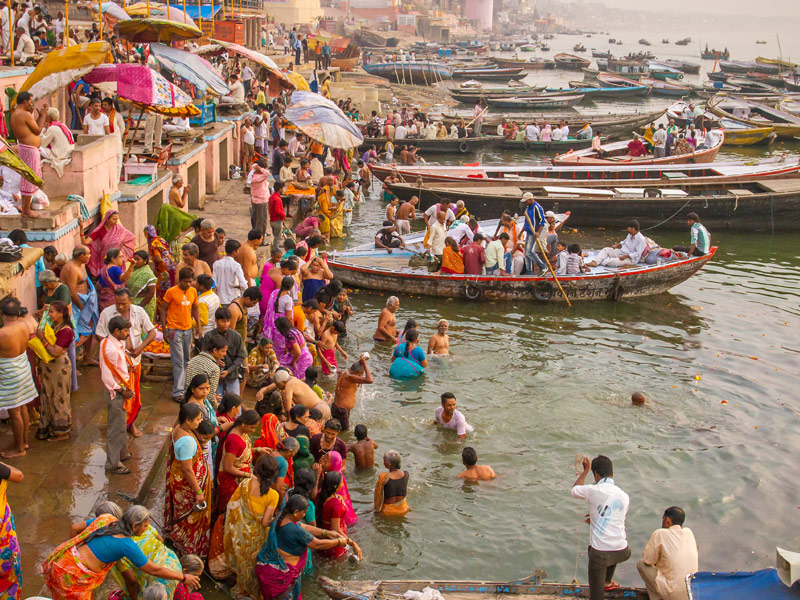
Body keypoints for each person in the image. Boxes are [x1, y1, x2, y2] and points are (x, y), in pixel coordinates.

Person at [43, 505, 200, 600]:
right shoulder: (126, 545)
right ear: (135, 525)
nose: (146, 529)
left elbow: (75, 528)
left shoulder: (106, 518)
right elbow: (154, 569)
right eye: (145, 526)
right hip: (75, 577)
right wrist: (183, 577)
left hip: (63, 561)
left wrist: (76, 556)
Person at [255, 495, 350, 600]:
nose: (304, 514)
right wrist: (337, 542)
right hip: (281, 578)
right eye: (303, 512)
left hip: (271, 571)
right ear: (296, 512)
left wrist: (327, 533)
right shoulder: (293, 530)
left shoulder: (282, 517)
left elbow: (304, 526)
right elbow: (318, 544)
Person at [96, 288, 156, 437]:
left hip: (135, 361)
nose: (120, 307)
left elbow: (152, 332)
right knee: (118, 397)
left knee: (134, 397)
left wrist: (140, 348)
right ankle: (119, 426)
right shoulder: (107, 313)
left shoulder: (139, 312)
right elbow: (99, 334)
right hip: (116, 366)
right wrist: (113, 348)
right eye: (117, 304)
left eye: (123, 303)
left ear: (130, 300)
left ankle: (130, 424)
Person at [571, 455, 631, 599]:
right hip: (622, 551)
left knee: (596, 596)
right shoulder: (624, 496)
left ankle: (601, 585)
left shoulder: (593, 490)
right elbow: (615, 518)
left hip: (601, 555)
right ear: (612, 473)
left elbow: (575, 490)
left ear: (596, 475)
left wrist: (585, 471)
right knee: (604, 548)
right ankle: (607, 581)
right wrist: (594, 518)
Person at [222, 455, 280, 598]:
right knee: (254, 567)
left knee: (242, 564)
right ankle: (254, 594)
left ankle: (241, 589)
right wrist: (278, 519)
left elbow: (232, 506)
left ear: (257, 471)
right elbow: (266, 522)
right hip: (257, 537)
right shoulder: (273, 495)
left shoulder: (245, 484)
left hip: (240, 533)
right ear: (273, 475)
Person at [165, 403, 213, 558]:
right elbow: (186, 469)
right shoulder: (187, 441)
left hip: (183, 481)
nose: (200, 422)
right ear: (188, 420)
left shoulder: (180, 428)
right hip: (187, 486)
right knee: (189, 518)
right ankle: (188, 548)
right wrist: (198, 492)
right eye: (198, 419)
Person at [0, 298, 37, 458]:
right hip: (23, 368)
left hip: (10, 374)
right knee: (22, 407)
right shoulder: (23, 326)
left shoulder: (2, 333)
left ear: (2, 313)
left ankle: (19, 448)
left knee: (15, 412)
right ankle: (24, 441)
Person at [99, 316, 136, 475]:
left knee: (122, 424)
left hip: (122, 385)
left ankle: (122, 454)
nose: (128, 334)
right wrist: (122, 391)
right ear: (116, 331)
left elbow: (117, 366)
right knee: (117, 428)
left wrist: (127, 367)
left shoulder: (114, 343)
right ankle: (113, 464)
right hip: (116, 392)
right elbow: (107, 376)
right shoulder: (110, 348)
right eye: (125, 331)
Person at [637, 506, 698, 600]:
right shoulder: (689, 532)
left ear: (668, 520)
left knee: (641, 564)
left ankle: (657, 598)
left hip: (672, 594)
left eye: (663, 519)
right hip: (691, 591)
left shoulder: (660, 533)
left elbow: (648, 560)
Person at [160, 268, 201, 402]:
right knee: (178, 362)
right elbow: (163, 309)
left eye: (190, 282)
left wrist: (198, 328)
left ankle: (185, 387)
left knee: (186, 360)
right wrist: (165, 330)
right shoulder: (171, 292)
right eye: (185, 282)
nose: (188, 284)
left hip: (188, 329)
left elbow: (195, 309)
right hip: (174, 330)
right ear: (179, 280)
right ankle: (178, 392)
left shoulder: (193, 291)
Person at [215, 409, 260, 518]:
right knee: (229, 512)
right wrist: (248, 475)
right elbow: (228, 467)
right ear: (244, 425)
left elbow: (241, 453)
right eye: (252, 427)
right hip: (231, 481)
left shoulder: (241, 432)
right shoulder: (235, 440)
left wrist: (258, 449)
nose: (253, 431)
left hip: (239, 478)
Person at [11, 91, 47, 217]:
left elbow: (31, 128)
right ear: (25, 101)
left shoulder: (16, 113)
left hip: (27, 148)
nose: (32, 104)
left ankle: (27, 208)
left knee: (29, 177)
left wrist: (35, 116)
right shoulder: (24, 114)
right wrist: (42, 115)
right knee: (29, 178)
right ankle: (26, 210)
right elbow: (37, 130)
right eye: (31, 101)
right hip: (29, 149)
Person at [61, 246, 99, 363]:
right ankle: (72, 363)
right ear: (81, 256)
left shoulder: (81, 264)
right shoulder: (71, 268)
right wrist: (82, 308)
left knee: (89, 327)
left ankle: (87, 357)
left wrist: (91, 296)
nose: (90, 256)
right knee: (75, 333)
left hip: (86, 301)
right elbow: (72, 292)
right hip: (76, 304)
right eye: (88, 254)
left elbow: (86, 280)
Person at [203, 307, 246, 397]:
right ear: (216, 321)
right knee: (216, 404)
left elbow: (241, 356)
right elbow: (204, 356)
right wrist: (214, 360)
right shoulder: (209, 336)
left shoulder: (236, 336)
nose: (225, 324)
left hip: (232, 375)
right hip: (213, 376)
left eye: (227, 321)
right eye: (222, 321)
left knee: (234, 403)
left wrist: (228, 371)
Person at [81, 209, 136, 279]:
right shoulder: (100, 230)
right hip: (104, 258)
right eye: (114, 219)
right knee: (105, 276)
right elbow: (85, 242)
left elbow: (131, 237)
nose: (116, 221)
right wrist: (81, 229)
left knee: (117, 276)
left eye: (117, 219)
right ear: (107, 219)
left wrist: (122, 249)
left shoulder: (119, 229)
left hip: (116, 257)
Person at [258, 368, 330, 421]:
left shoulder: (289, 385)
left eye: (277, 384)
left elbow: (288, 408)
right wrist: (261, 392)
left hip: (317, 410)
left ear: (283, 382)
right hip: (324, 407)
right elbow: (270, 387)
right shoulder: (292, 379)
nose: (277, 386)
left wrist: (288, 423)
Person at [332, 355, 373, 432]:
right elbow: (370, 380)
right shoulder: (350, 377)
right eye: (361, 374)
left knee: (339, 431)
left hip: (338, 408)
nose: (361, 376)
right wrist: (364, 364)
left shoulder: (345, 372)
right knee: (344, 433)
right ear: (358, 373)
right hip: (341, 410)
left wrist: (361, 360)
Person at [40, 107, 74, 177]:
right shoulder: (62, 125)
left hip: (61, 155)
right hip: (67, 153)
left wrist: (43, 128)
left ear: (49, 117)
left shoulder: (52, 128)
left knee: (36, 148)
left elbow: (42, 143)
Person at [213, 240, 248, 305]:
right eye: (238, 250)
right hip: (233, 299)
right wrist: (240, 287)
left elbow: (214, 283)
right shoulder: (236, 265)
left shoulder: (216, 264)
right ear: (234, 252)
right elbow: (243, 284)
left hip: (220, 299)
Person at [125, 251, 157, 322]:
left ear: (145, 261)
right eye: (134, 259)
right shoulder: (132, 270)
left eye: (138, 259)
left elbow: (151, 293)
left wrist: (140, 306)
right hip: (132, 303)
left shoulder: (148, 274)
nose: (135, 261)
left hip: (144, 305)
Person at [521, 192, 546, 275]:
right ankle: (529, 271)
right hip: (528, 231)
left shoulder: (537, 207)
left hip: (534, 232)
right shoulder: (528, 208)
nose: (525, 203)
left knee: (529, 252)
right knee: (526, 253)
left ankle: (543, 266)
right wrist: (521, 232)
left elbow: (542, 221)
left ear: (530, 199)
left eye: (526, 201)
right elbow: (526, 221)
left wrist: (538, 232)